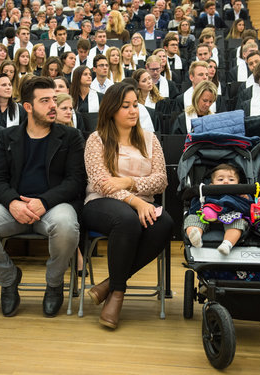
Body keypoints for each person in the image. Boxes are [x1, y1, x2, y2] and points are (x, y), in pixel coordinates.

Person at [0, 76, 86, 318]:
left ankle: (54, 283)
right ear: (28, 107)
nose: (53, 105)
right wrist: (13, 203)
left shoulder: (71, 136)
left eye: (54, 99)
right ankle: (9, 278)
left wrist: (45, 202)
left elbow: (75, 181)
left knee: (66, 226)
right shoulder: (8, 137)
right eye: (45, 101)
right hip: (15, 207)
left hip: (54, 206)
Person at [82, 83, 173, 329]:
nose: (133, 110)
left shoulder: (150, 139)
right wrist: (135, 200)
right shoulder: (96, 139)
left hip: (141, 205)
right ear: (111, 109)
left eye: (135, 105)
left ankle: (110, 285)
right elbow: (101, 183)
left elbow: (161, 181)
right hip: (101, 204)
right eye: (126, 106)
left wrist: (129, 181)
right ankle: (118, 295)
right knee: (127, 220)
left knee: (165, 223)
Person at [185, 164, 251, 255]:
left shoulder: (240, 195)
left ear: (238, 185)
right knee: (192, 218)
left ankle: (227, 244)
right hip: (206, 217)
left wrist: (245, 199)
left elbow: (248, 211)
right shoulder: (206, 193)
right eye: (220, 179)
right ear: (211, 185)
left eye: (231, 180)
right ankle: (195, 236)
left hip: (231, 217)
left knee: (239, 222)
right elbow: (194, 208)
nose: (226, 182)